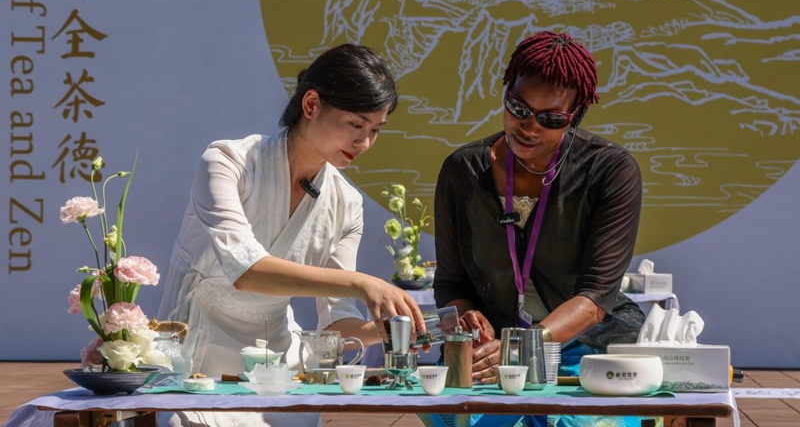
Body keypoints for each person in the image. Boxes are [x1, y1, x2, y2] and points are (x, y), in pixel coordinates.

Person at [156, 44, 425, 427]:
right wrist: (363, 282)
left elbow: (335, 325)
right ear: (311, 104)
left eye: (375, 130)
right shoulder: (227, 162)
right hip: (196, 353)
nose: (364, 143)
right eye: (356, 124)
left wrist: (385, 331)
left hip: (276, 362)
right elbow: (246, 270)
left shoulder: (346, 202)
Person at [430, 31, 647, 427]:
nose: (529, 127)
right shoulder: (461, 169)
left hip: (586, 343)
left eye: (550, 119)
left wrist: (522, 348)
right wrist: (467, 320)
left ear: (576, 115)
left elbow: (597, 294)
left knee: (581, 423)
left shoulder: (611, 170)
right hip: (489, 344)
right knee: (457, 416)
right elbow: (449, 283)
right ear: (505, 94)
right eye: (518, 108)